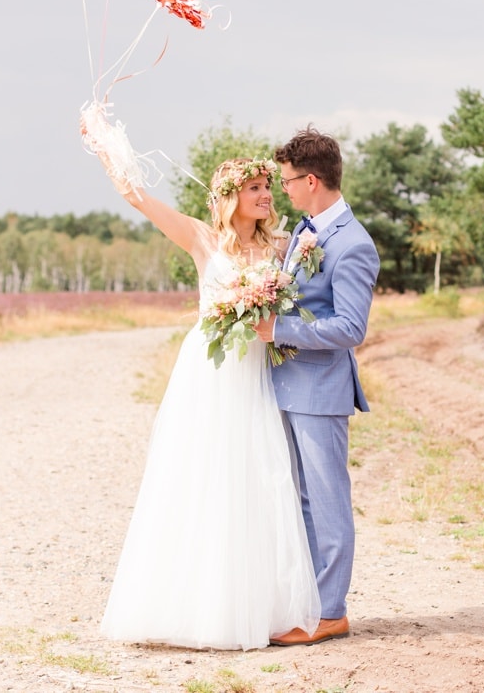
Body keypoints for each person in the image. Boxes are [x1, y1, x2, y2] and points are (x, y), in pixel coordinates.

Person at [96, 155, 321, 650]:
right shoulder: (202, 237)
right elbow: (140, 199)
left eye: (268, 187)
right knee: (200, 474)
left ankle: (253, 608)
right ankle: (188, 607)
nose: (267, 195)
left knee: (255, 476)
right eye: (258, 188)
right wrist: (107, 148)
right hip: (210, 371)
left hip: (255, 374)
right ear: (231, 195)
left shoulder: (281, 245)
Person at [252, 127, 379, 646]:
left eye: (285, 180)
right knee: (298, 499)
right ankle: (307, 603)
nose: (281, 189)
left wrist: (277, 330)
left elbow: (352, 328)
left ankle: (330, 613)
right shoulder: (306, 230)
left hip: (321, 392)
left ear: (311, 180)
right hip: (287, 385)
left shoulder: (352, 243)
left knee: (326, 501)